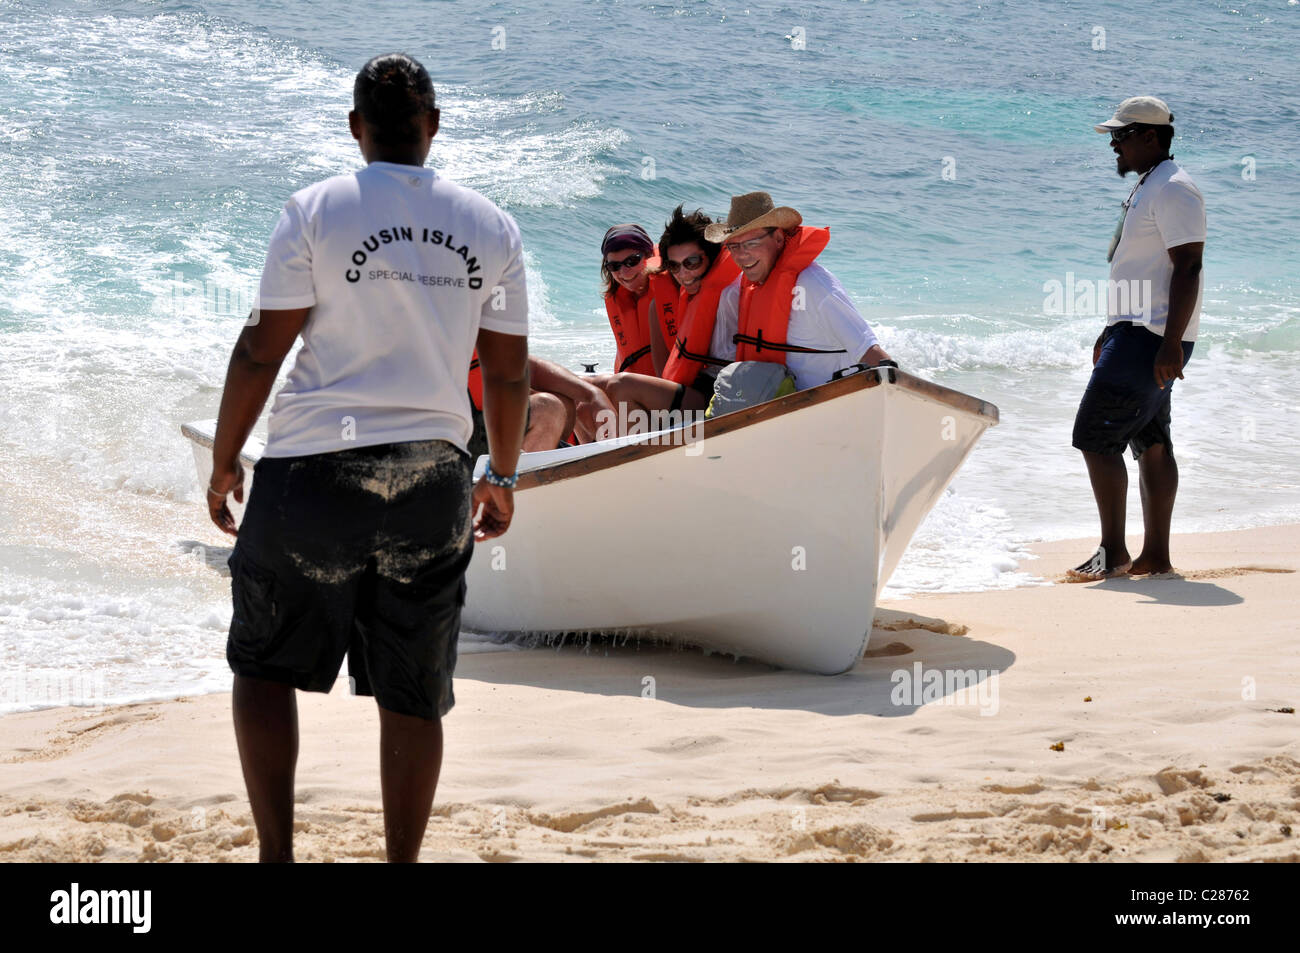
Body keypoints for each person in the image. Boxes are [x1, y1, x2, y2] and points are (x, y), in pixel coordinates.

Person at [205, 53, 530, 862]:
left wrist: (225, 458)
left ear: (357, 128)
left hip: (313, 469)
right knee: (413, 689)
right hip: (433, 476)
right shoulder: (489, 224)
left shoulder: (315, 210)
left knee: (264, 662)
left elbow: (259, 351)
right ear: (434, 125)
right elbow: (510, 369)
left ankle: (277, 853)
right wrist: (504, 473)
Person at [1067, 97, 1205, 581]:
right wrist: (1110, 328)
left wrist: (1171, 343)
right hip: (1138, 331)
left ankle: (1114, 553)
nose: (1113, 146)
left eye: (1120, 137)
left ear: (1151, 137)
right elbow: (1140, 269)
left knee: (1095, 436)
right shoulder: (1152, 185)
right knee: (1151, 441)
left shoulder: (1174, 190)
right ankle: (1156, 559)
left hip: (1152, 336)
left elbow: (1189, 264)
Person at [703, 192, 891, 390]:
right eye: (733, 246)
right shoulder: (744, 288)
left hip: (825, 407)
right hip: (775, 406)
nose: (741, 255)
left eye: (751, 243)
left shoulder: (815, 286)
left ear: (777, 238)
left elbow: (875, 357)